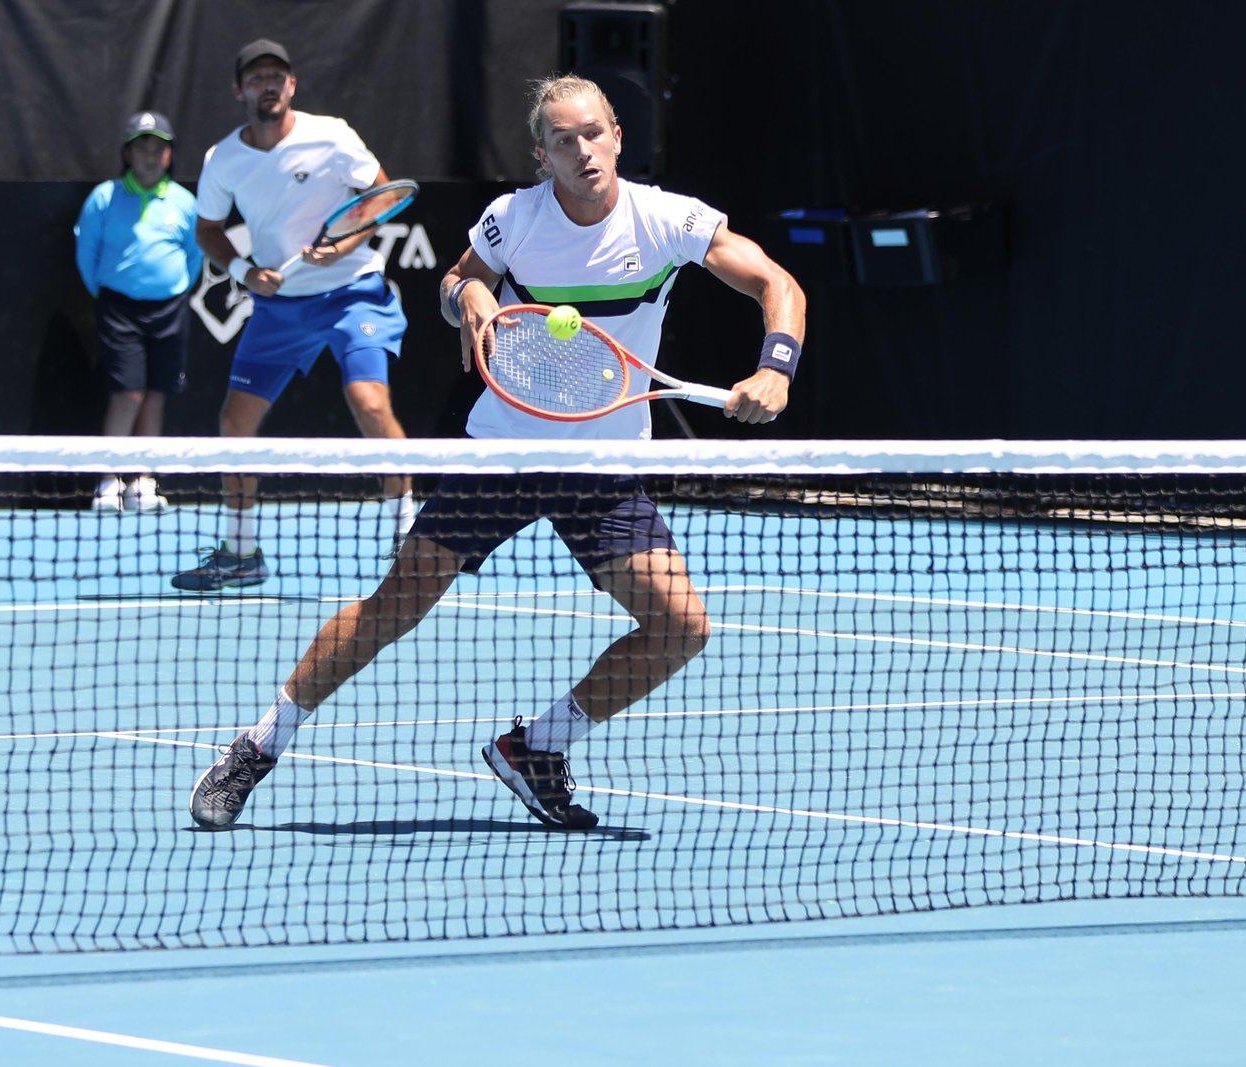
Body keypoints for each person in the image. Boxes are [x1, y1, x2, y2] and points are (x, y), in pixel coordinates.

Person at [188, 74, 805, 831]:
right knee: (395, 607)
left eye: (594, 133)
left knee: (681, 627)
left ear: (618, 135)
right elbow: (457, 282)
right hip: (504, 453)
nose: (583, 151)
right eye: (564, 141)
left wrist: (775, 366)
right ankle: (258, 745)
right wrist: (469, 296)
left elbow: (778, 283)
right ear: (541, 154)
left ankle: (537, 746)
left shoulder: (669, 221)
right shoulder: (513, 220)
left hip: (602, 467)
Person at [171, 38, 415, 590]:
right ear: (240, 91)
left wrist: (345, 245)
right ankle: (240, 552)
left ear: (292, 86)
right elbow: (208, 231)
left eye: (277, 76)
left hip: (354, 292)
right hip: (280, 306)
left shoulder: (331, 134)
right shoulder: (223, 159)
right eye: (256, 77)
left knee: (368, 400)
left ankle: (409, 532)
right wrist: (245, 272)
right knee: (235, 422)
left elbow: (383, 194)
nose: (268, 85)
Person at [73, 110, 202, 512]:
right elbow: (86, 254)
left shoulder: (185, 203)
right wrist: (110, 292)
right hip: (118, 309)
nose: (150, 155)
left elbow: (194, 258)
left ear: (169, 155)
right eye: (142, 147)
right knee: (127, 392)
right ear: (128, 154)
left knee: (155, 395)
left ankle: (143, 481)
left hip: (170, 308)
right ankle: (109, 480)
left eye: (158, 148)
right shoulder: (104, 198)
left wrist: (172, 289)